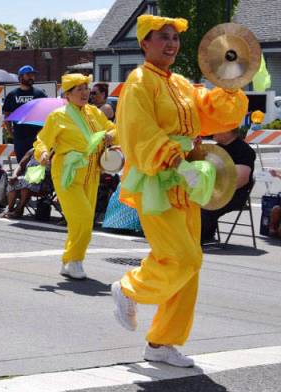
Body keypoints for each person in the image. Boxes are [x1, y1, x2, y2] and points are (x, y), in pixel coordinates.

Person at [110, 15, 248, 368]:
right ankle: (129, 288)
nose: (171, 43)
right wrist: (175, 161)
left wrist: (230, 83)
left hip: (186, 181)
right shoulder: (139, 81)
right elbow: (138, 131)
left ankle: (161, 342)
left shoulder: (182, 83)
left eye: (174, 38)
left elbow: (213, 115)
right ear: (144, 43)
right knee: (183, 258)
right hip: (158, 179)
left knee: (189, 267)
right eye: (163, 37)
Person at [34, 74, 116, 280]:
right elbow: (42, 140)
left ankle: (68, 262)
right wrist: (43, 153)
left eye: (86, 88)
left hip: (92, 173)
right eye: (78, 89)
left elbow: (113, 129)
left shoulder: (94, 113)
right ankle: (74, 259)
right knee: (84, 218)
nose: (85, 92)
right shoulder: (58, 116)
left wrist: (111, 136)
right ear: (67, 94)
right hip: (67, 174)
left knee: (79, 222)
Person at [199, 128, 255, 244]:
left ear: (228, 131)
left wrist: (213, 193)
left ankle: (200, 236)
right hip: (214, 191)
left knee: (205, 205)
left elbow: (241, 179)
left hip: (234, 194)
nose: (212, 131)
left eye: (217, 128)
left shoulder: (243, 150)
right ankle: (204, 233)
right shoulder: (216, 148)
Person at [2, 65, 48, 163]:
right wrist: (11, 133)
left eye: (33, 75)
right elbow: (7, 115)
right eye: (28, 75)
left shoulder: (40, 94)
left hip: (37, 137)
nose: (32, 77)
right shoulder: (12, 95)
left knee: (37, 165)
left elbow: (47, 113)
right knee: (21, 165)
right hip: (20, 137)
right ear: (21, 77)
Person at [1, 148, 52, 219]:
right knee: (13, 181)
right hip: (28, 177)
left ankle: (19, 210)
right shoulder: (34, 150)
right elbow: (21, 165)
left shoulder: (53, 152)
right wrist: (14, 175)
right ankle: (10, 209)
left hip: (44, 181)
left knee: (26, 184)